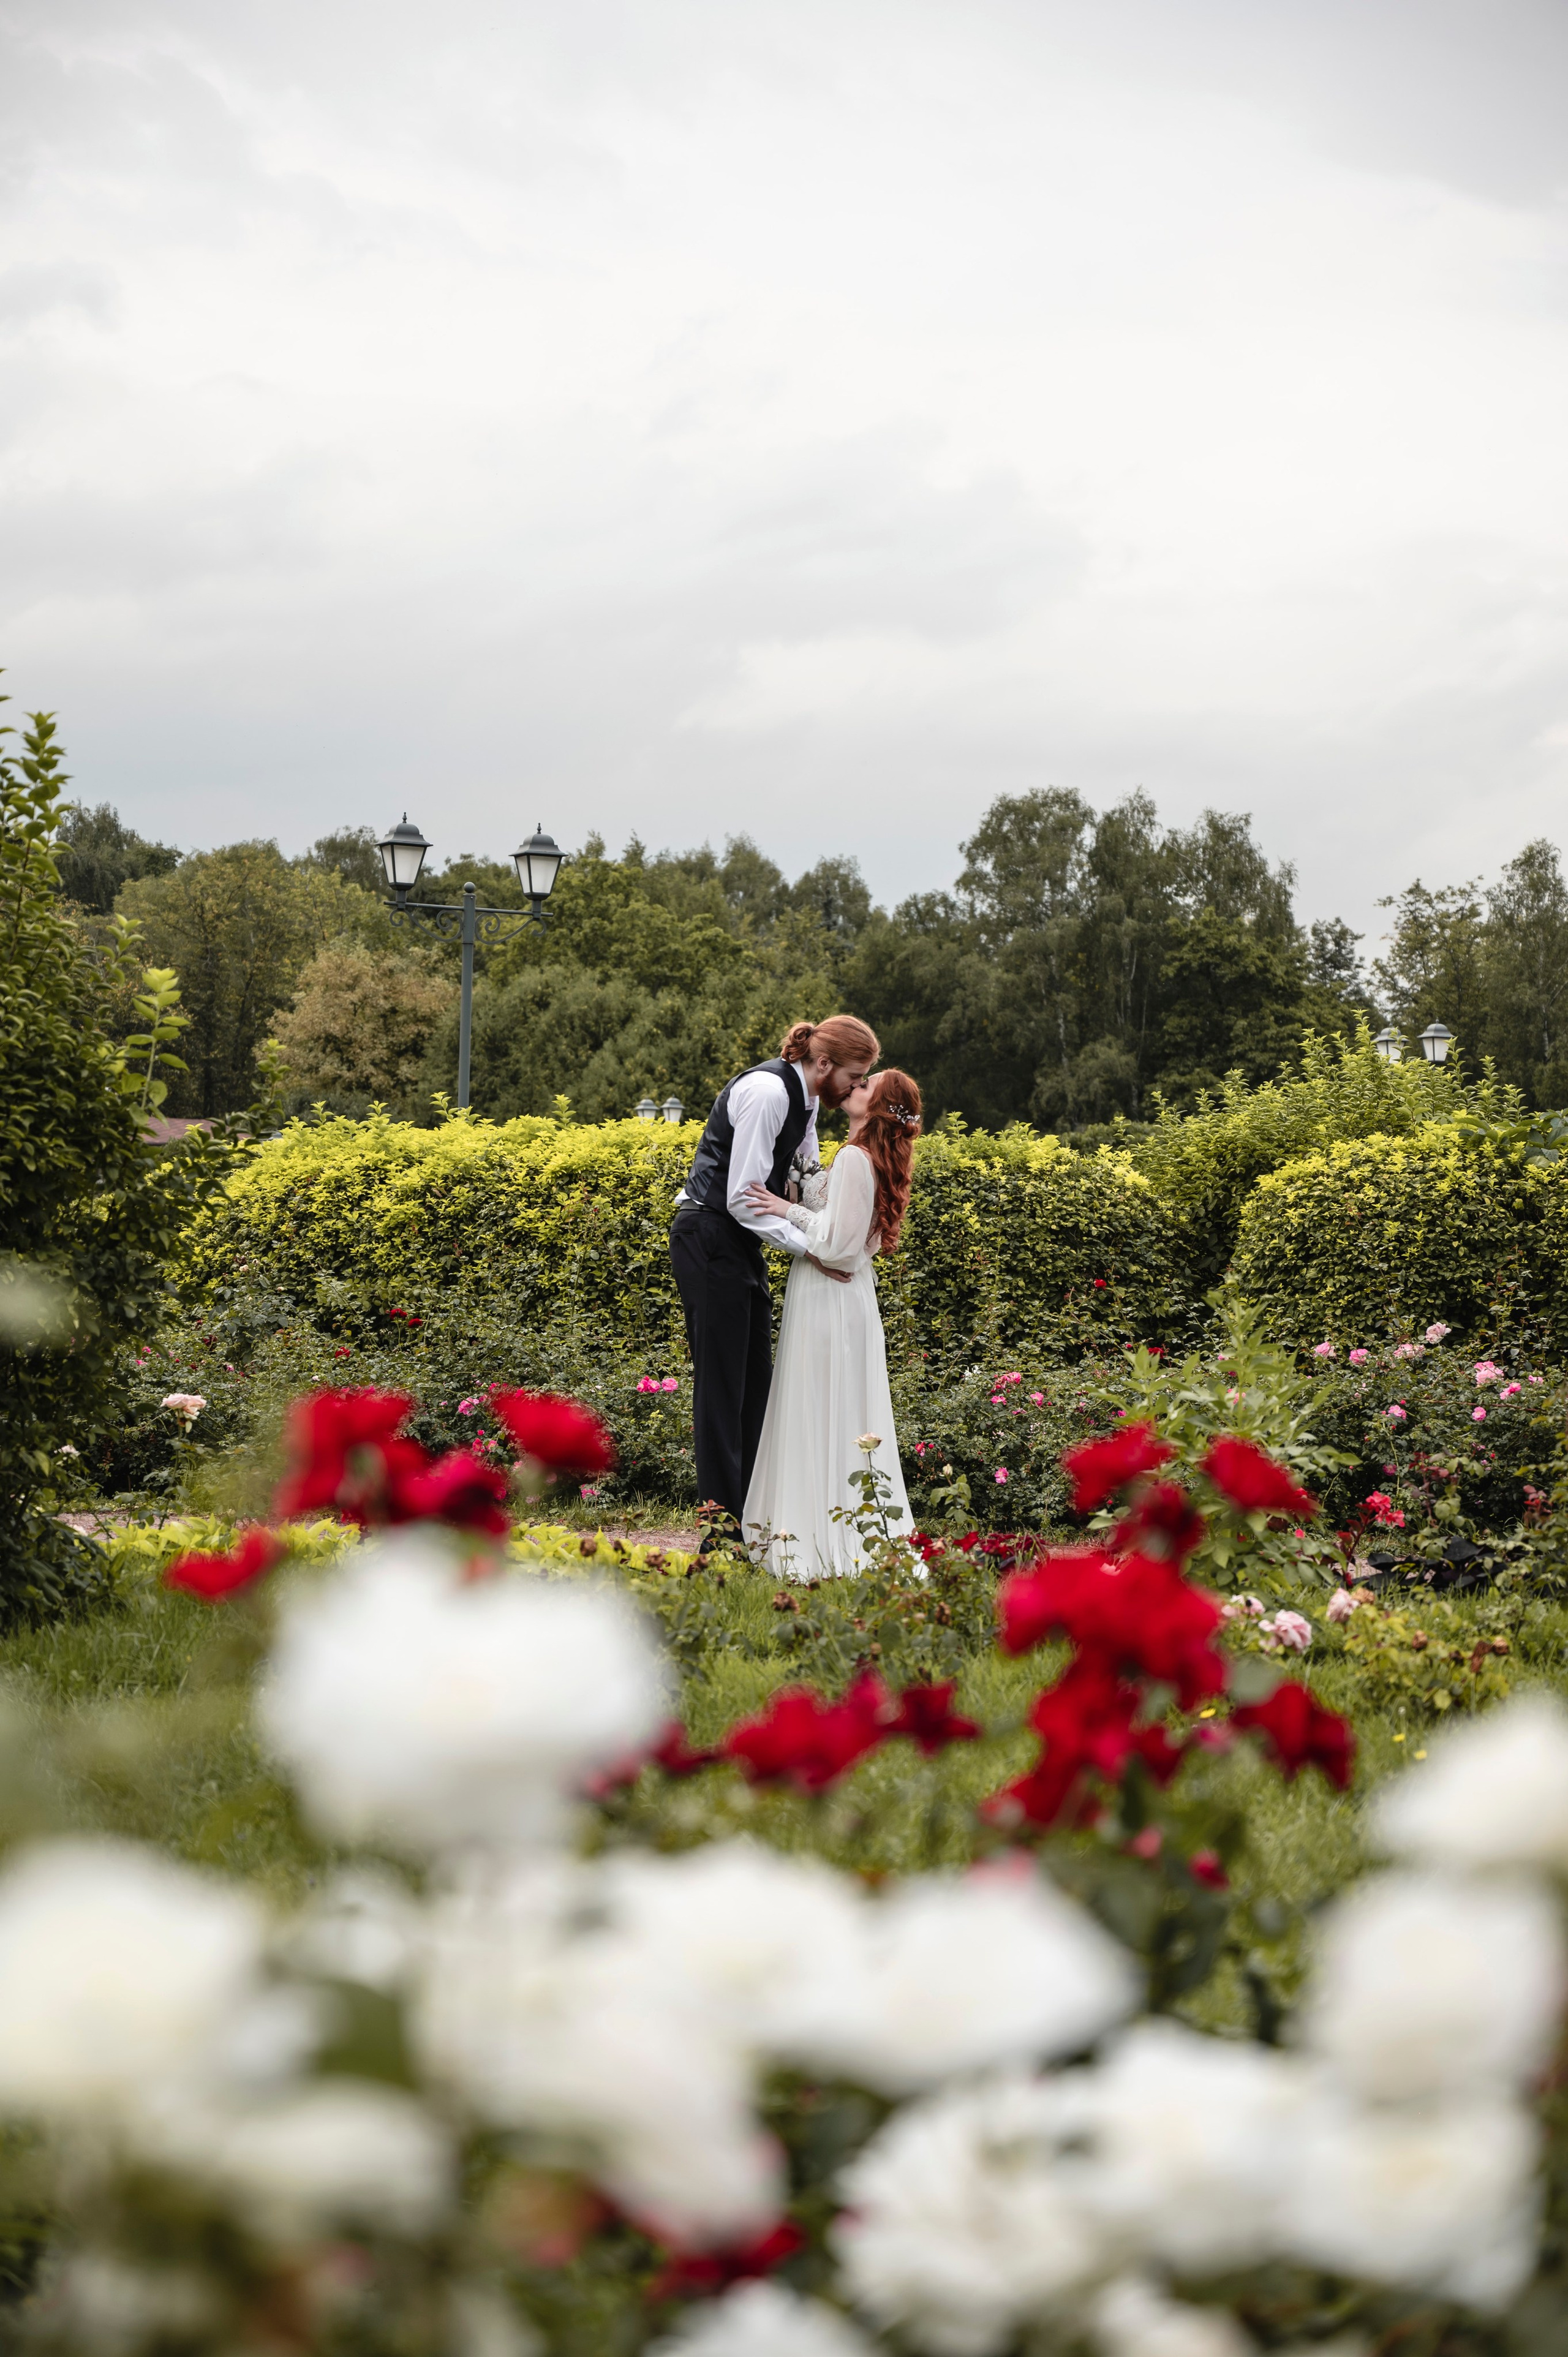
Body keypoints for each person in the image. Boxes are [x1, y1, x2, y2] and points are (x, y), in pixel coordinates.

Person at [668, 1015, 879, 1547]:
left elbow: (801, 1182)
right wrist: (815, 1247)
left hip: (740, 1243)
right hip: (710, 1233)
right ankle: (720, 1536)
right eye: (856, 1076)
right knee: (721, 1389)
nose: (858, 1088)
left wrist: (848, 1226)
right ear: (824, 1062)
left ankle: (758, 1523)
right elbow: (744, 1196)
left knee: (756, 1387)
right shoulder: (766, 1093)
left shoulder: (808, 1100)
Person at [740, 1068, 922, 1577]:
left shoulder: (854, 1158)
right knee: (835, 1408)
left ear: (878, 1107)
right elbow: (848, 1233)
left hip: (829, 1296)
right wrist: (804, 1198)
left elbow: (839, 1250)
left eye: (866, 1086)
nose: (854, 1087)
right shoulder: (868, 1158)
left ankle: (815, 1537)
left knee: (818, 1404)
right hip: (850, 1297)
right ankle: (830, 1525)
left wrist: (784, 1209)